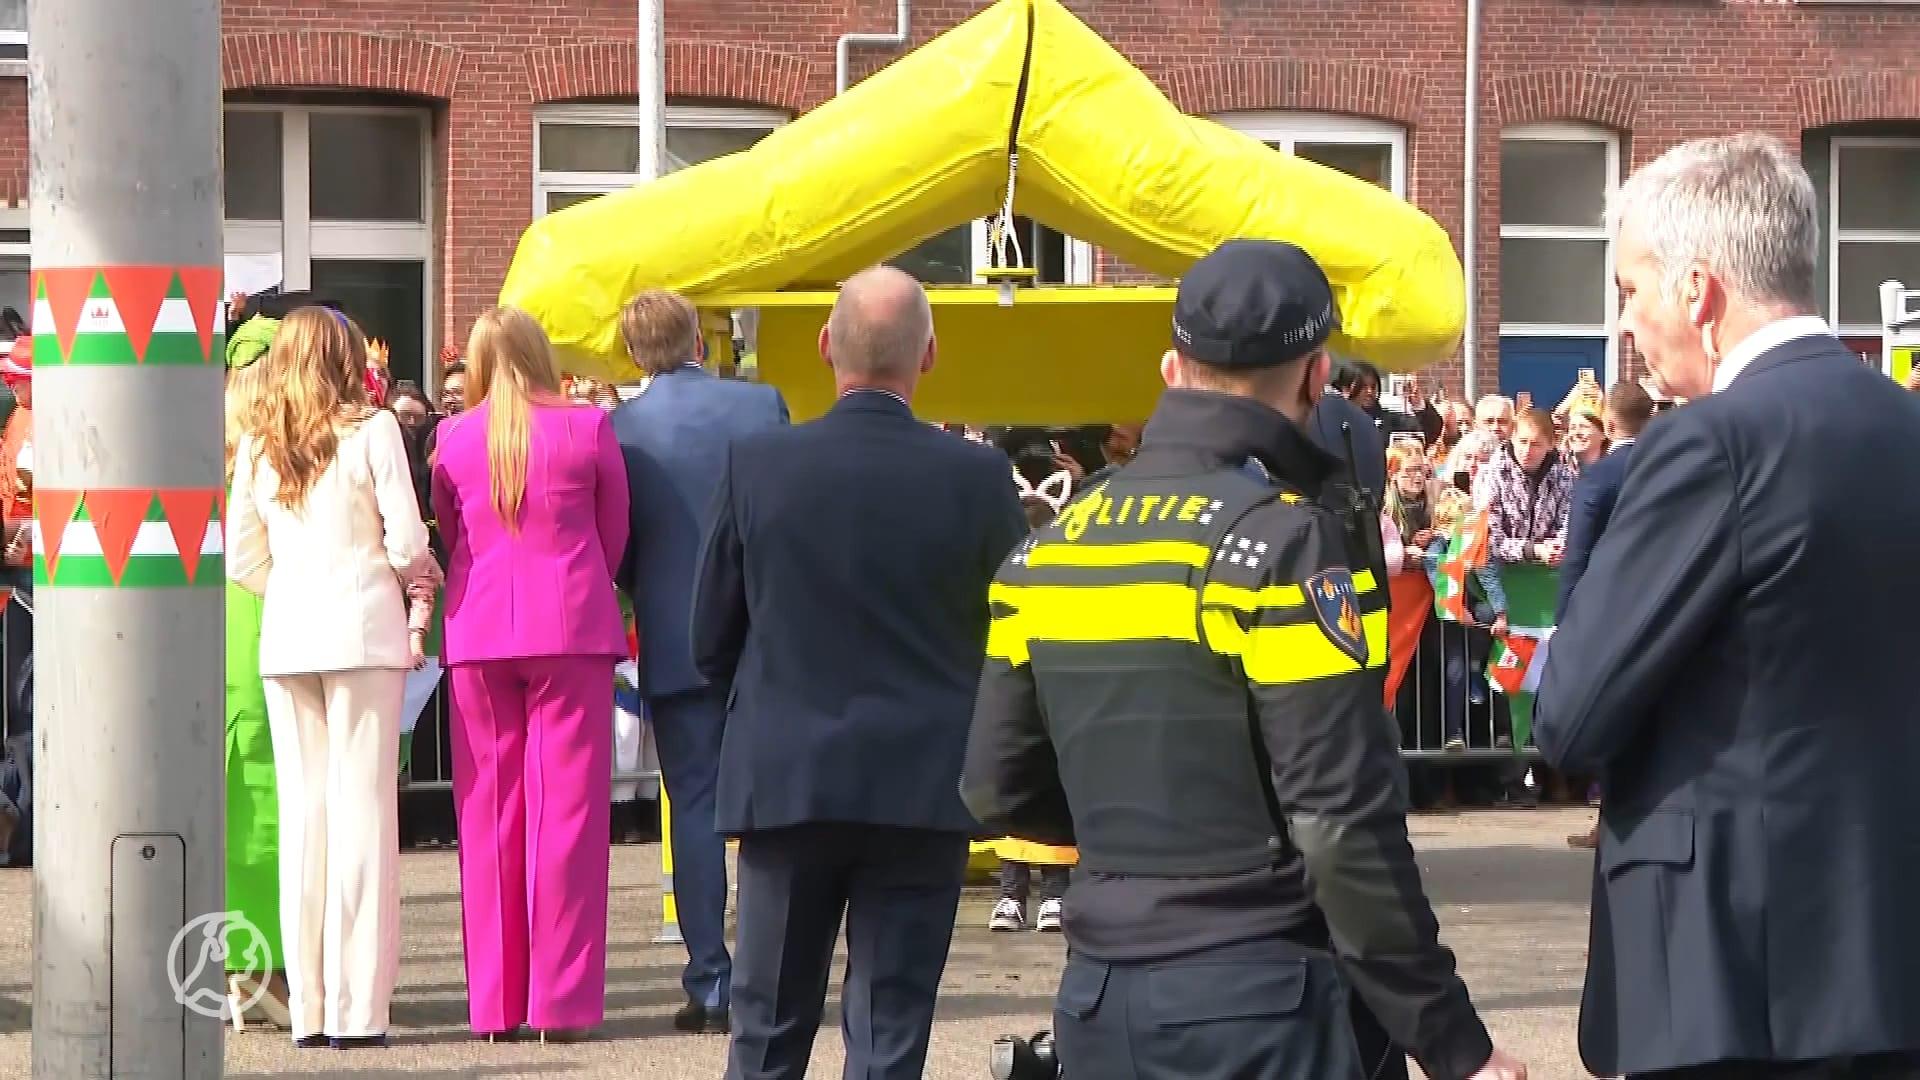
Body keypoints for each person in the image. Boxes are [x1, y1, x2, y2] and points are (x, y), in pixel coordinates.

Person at [961, 239, 1522, 1080]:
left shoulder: (1049, 550)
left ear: (1171, 368)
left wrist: (1141, 838)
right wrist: (1449, 1040)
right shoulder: (1286, 544)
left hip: (1101, 1005)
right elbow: (1338, 825)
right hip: (1267, 1003)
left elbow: (995, 788)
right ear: (1316, 376)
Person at [1534, 133, 1920, 1079]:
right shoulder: (1903, 426)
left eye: (1631, 289)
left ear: (1698, 293)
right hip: (1888, 954)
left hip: (1733, 972)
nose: (1626, 322)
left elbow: (1574, 710)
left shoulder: (1712, 445)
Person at [691, 265, 1026, 1080]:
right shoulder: (979, 477)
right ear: (930, 355)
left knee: (767, 1025)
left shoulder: (757, 465)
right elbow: (1014, 633)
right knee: (890, 1032)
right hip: (923, 782)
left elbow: (710, 636)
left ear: (823, 347)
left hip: (788, 776)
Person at [226, 306, 440, 1049]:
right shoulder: (374, 429)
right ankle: (359, 1011)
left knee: (304, 823)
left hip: (290, 635)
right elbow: (408, 539)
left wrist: (290, 589)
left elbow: (241, 558)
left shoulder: (258, 442)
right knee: (364, 822)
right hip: (364, 630)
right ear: (347, 358)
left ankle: (310, 1011)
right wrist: (408, 578)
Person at [430, 306, 630, 1042]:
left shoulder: (452, 436)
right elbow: (615, 533)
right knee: (569, 819)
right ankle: (562, 1003)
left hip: (480, 631)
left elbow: (452, 535)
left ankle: (495, 1005)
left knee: (489, 818)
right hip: (571, 624)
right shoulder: (588, 428)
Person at [608, 288, 789, 1034]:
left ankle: (711, 983)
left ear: (633, 352)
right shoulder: (760, 407)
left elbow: (615, 546)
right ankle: (770, 974)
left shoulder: (619, 429)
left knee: (698, 806)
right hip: (765, 637)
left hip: (677, 639)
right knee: (773, 810)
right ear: (697, 340)